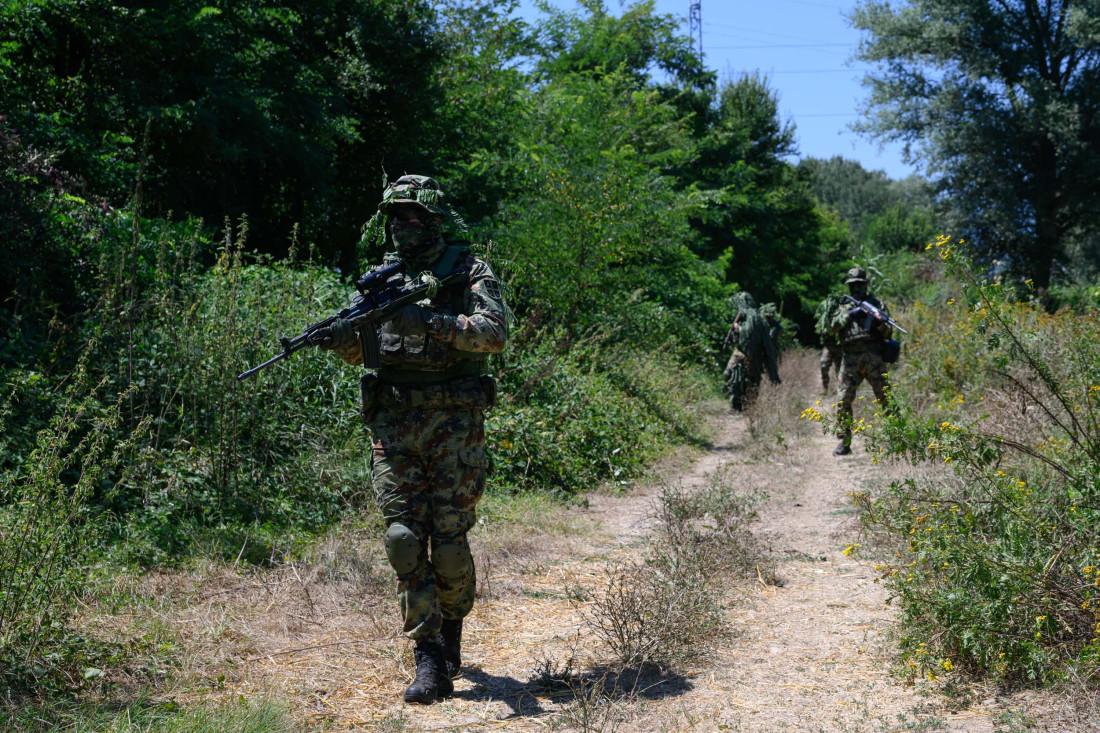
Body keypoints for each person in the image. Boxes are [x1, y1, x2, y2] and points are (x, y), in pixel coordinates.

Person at [312, 175, 508, 704]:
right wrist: (341, 341)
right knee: (402, 538)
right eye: (393, 217)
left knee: (447, 543)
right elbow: (368, 352)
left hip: (454, 425)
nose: (400, 226)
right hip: (393, 425)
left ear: (433, 219)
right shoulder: (381, 280)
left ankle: (450, 635)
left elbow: (494, 333)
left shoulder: (468, 271)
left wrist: (428, 319)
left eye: (410, 216)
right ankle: (427, 662)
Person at [830, 266, 891, 456]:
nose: (856, 288)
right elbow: (831, 329)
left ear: (866, 285)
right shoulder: (842, 307)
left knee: (886, 399)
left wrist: (876, 321)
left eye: (860, 285)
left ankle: (899, 437)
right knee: (843, 400)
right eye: (853, 285)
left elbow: (889, 332)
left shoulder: (877, 305)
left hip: (873, 357)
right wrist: (849, 315)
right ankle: (844, 441)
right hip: (850, 359)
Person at [722, 292, 780, 411]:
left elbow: (767, 344)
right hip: (739, 351)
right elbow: (733, 333)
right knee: (728, 373)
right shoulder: (742, 316)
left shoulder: (758, 320)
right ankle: (734, 403)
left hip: (755, 354)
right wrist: (734, 333)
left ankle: (749, 408)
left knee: (752, 382)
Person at [814, 293, 842, 394]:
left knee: (840, 371)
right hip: (829, 346)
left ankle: (840, 389)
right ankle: (825, 387)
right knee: (824, 365)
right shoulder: (826, 318)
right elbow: (820, 331)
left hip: (840, 347)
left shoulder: (842, 316)